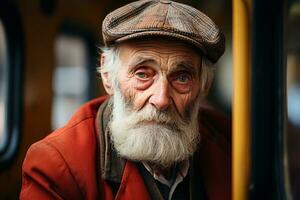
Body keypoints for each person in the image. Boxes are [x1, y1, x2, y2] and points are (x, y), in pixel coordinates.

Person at [20, 0, 231, 199]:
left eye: (182, 77)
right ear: (108, 77)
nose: (161, 99)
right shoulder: (56, 165)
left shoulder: (231, 141)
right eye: (142, 74)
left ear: (204, 86)